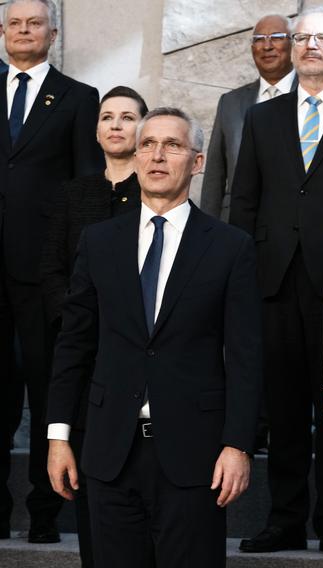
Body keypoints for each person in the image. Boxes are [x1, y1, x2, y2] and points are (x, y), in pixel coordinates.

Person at [45, 106, 262, 567]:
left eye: (173, 145)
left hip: (195, 455)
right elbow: (74, 344)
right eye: (148, 144)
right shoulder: (99, 241)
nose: (157, 155)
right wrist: (58, 435)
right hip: (109, 453)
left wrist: (238, 444)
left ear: (197, 161)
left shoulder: (230, 246)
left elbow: (246, 356)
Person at [230, 4, 323, 555]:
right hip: (273, 280)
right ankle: (286, 518)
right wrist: (239, 275)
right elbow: (243, 200)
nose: (310, 46)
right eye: (302, 38)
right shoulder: (262, 116)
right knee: (285, 403)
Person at [0, 0, 103, 544]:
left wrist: (72, 271)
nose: (23, 30)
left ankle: (45, 512)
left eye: (33, 22)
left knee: (47, 390)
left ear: (52, 32)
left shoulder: (78, 98)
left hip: (42, 273)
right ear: (2, 32)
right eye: (14, 23)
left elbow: (86, 189)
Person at [38, 85, 147, 567]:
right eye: (108, 117)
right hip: (85, 353)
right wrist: (81, 319)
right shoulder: (73, 193)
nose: (117, 125)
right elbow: (51, 269)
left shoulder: (158, 191)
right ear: (96, 129)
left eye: (127, 117)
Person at [200, 14, 296, 221]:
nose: (266, 46)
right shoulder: (230, 102)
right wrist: (206, 229)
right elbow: (214, 177)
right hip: (235, 222)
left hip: (293, 223)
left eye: (277, 37)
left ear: (293, 44)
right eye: (258, 39)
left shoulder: (310, 97)